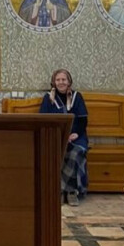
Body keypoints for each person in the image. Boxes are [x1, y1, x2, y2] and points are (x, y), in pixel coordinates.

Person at [39, 69, 88, 205]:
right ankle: (61, 191)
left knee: (75, 153)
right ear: (54, 82)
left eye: (64, 80)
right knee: (55, 153)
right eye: (58, 80)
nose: (61, 82)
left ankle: (69, 191)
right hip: (55, 136)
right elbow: (43, 120)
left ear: (69, 82)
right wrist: (58, 135)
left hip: (76, 136)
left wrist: (75, 134)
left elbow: (83, 120)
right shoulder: (48, 98)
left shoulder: (77, 97)